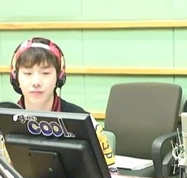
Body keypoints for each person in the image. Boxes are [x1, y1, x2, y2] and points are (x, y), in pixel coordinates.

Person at [9, 36, 116, 170]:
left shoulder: (84, 121)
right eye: (28, 73)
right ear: (15, 78)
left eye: (45, 73)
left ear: (59, 77)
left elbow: (111, 173)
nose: (36, 82)